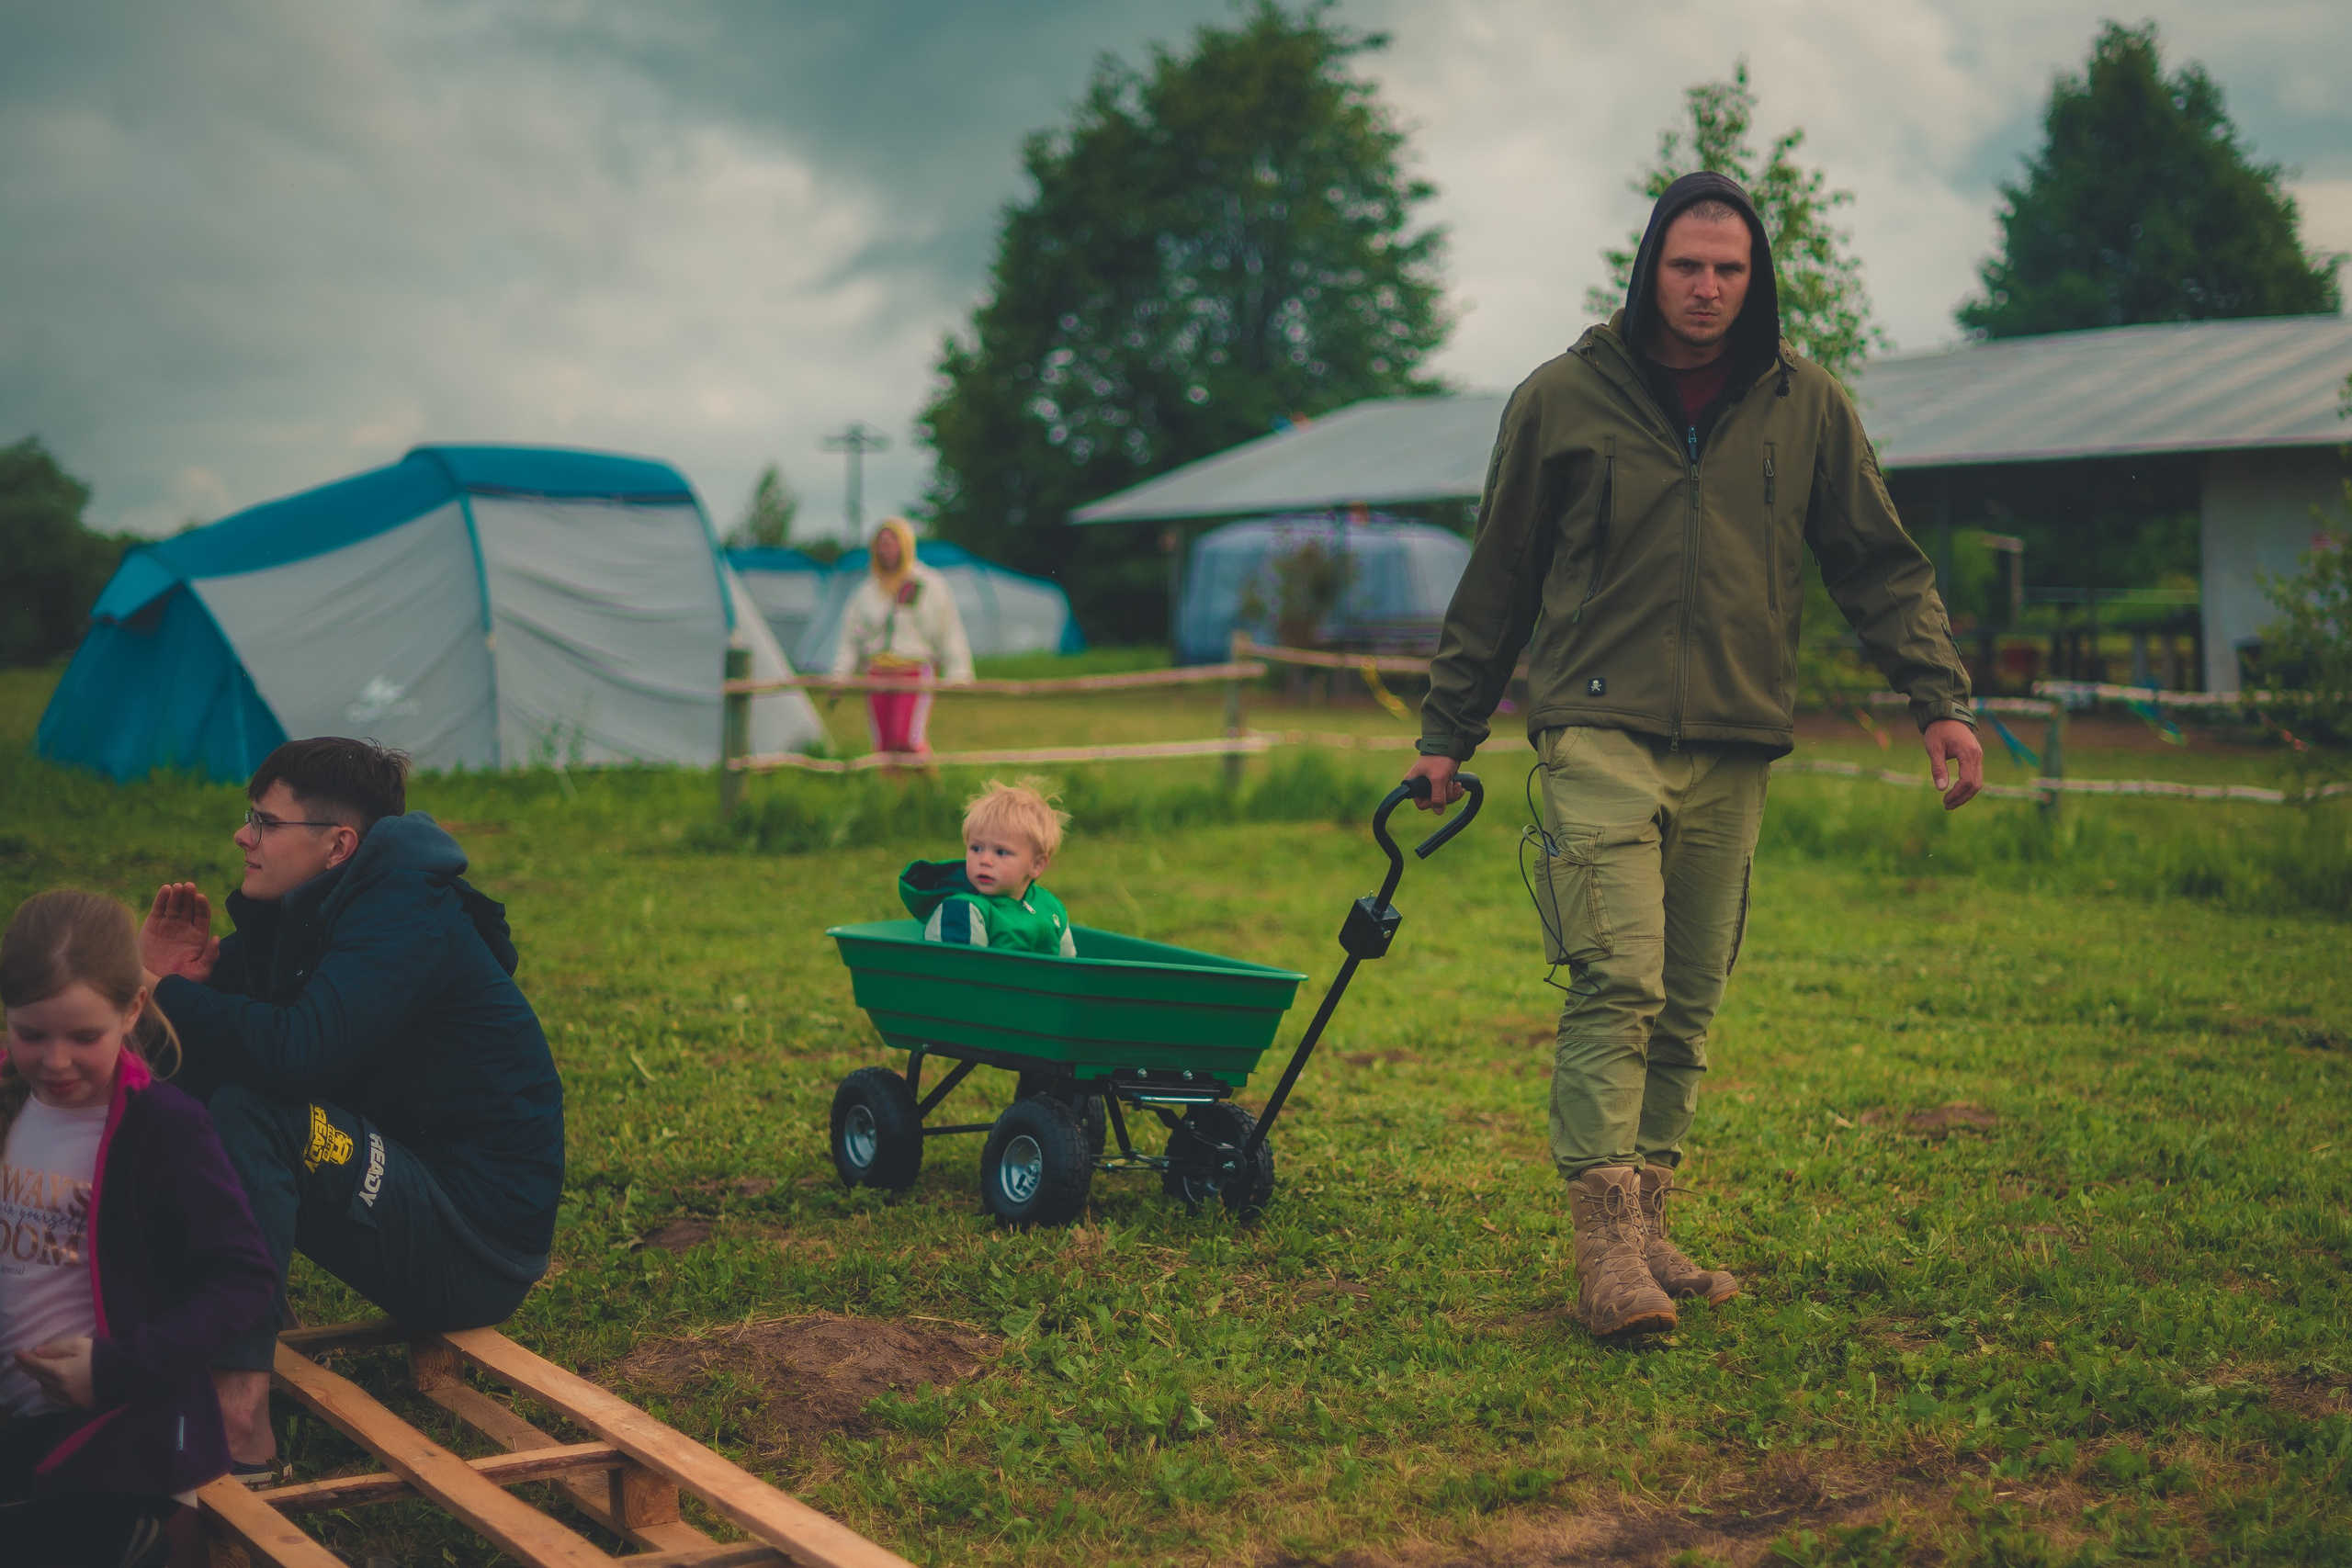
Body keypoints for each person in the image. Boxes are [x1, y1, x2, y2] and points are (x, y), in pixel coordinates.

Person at [1405, 172, 1984, 1340]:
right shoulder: (1560, 400)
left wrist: (1938, 698)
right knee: (1615, 976)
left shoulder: (1805, 404)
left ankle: (1651, 1215)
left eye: (1729, 269)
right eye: (1687, 266)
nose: (1708, 288)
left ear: (1754, 276)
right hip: (1595, 727)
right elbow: (1500, 574)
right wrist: (1446, 732)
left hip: (1732, 739)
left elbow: (1875, 562)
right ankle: (1604, 1247)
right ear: (1648, 269)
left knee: (1689, 996)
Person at [136, 737, 565, 1481]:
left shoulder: (402, 917)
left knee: (256, 1104)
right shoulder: (320, 912)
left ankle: (241, 1423)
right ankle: (196, 1319)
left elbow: (295, 1056)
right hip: (413, 1188)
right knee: (194, 1082)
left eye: (265, 821)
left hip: (476, 1240)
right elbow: (212, 1048)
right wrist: (180, 984)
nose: (244, 835)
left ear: (338, 844)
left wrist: (163, 993)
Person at [1, 889, 277, 1568]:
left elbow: (243, 1277)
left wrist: (117, 1369)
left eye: (84, 1035)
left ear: (133, 1010)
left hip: (115, 1432)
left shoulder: (166, 1128)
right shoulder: (8, 1103)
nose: (55, 1059)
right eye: (31, 1033)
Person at [831, 515, 975, 759]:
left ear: (906, 545)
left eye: (892, 542)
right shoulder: (866, 592)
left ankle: (929, 790)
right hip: (876, 673)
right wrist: (839, 677)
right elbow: (851, 638)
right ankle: (893, 793)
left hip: (913, 671)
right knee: (884, 744)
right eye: (881, 543)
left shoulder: (929, 585)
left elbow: (948, 629)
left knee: (907, 738)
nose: (886, 549)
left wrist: (958, 672)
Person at [899, 779, 1077, 955]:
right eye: (976, 848)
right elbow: (963, 974)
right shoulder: (964, 911)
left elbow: (1070, 965)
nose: (984, 860)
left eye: (1001, 852)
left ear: (1036, 865)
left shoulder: (1051, 907)